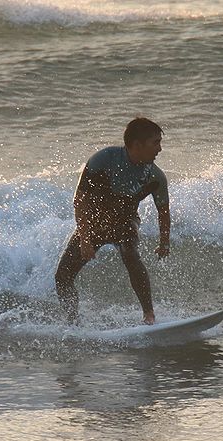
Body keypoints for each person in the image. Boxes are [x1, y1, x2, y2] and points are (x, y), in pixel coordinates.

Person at [55, 117, 171, 325]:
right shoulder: (103, 160)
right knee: (62, 276)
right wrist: (85, 239)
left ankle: (149, 315)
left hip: (126, 222)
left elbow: (163, 211)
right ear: (137, 144)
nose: (159, 149)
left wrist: (164, 242)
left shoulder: (155, 177)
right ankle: (73, 322)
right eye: (155, 143)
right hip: (95, 222)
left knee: (130, 255)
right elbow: (80, 200)